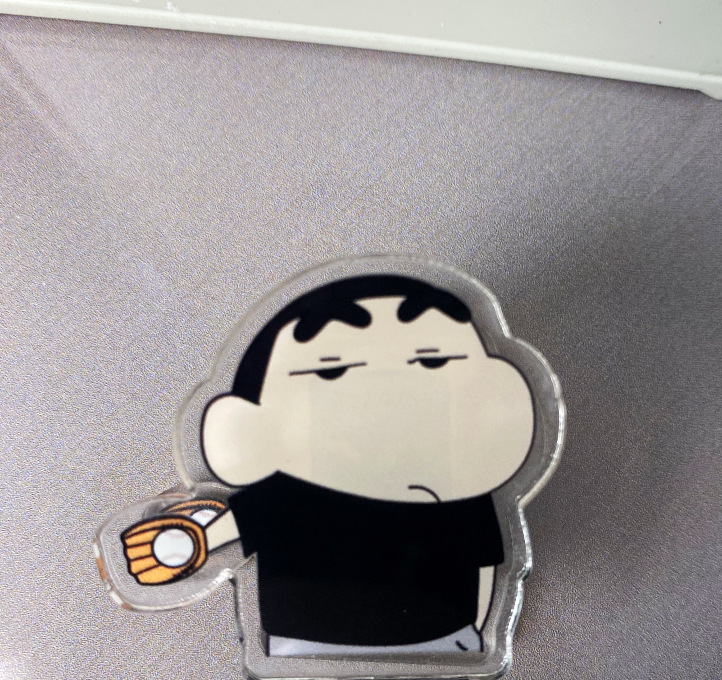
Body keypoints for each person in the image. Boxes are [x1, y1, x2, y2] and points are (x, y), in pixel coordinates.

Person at [122, 275, 535, 656]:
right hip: (310, 641)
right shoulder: (285, 495)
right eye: (331, 371)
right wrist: (179, 545)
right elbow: (216, 535)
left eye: (431, 362)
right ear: (252, 418)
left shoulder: (459, 490)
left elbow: (486, 565)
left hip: (435, 636)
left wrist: (476, 635)